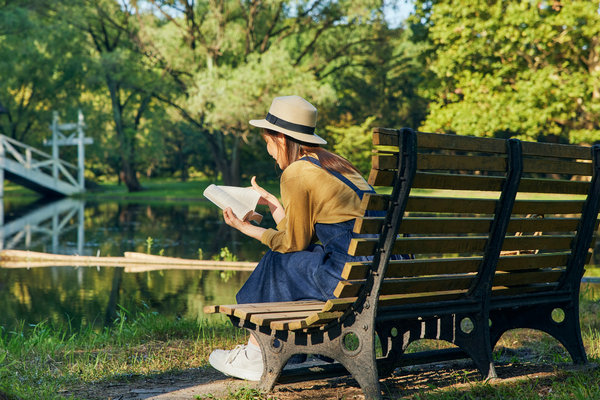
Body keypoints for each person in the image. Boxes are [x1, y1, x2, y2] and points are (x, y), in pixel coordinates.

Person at [208, 95, 407, 381]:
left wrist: (247, 229)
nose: (269, 151)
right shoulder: (337, 164)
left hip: (353, 277)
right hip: (385, 268)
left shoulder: (296, 172)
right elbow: (302, 237)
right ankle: (283, 350)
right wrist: (277, 206)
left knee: (278, 261)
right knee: (298, 259)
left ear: (280, 138)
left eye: (267, 141)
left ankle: (256, 354)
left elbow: (292, 245)